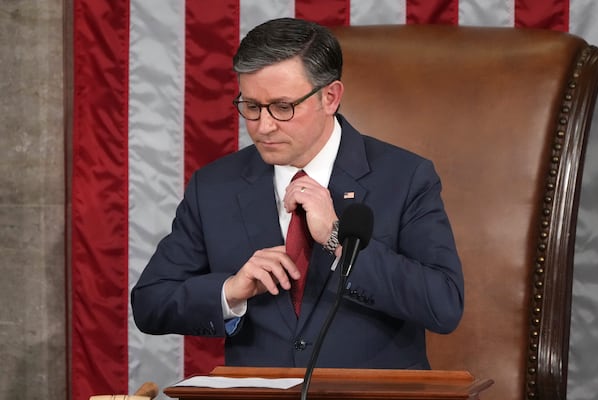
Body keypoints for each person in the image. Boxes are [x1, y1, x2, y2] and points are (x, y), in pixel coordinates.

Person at [131, 17, 464, 370]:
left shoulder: (405, 177)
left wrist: (338, 238)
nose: (263, 126)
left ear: (330, 97)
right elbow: (150, 303)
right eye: (252, 107)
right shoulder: (214, 187)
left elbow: (443, 305)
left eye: (283, 107)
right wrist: (230, 291)